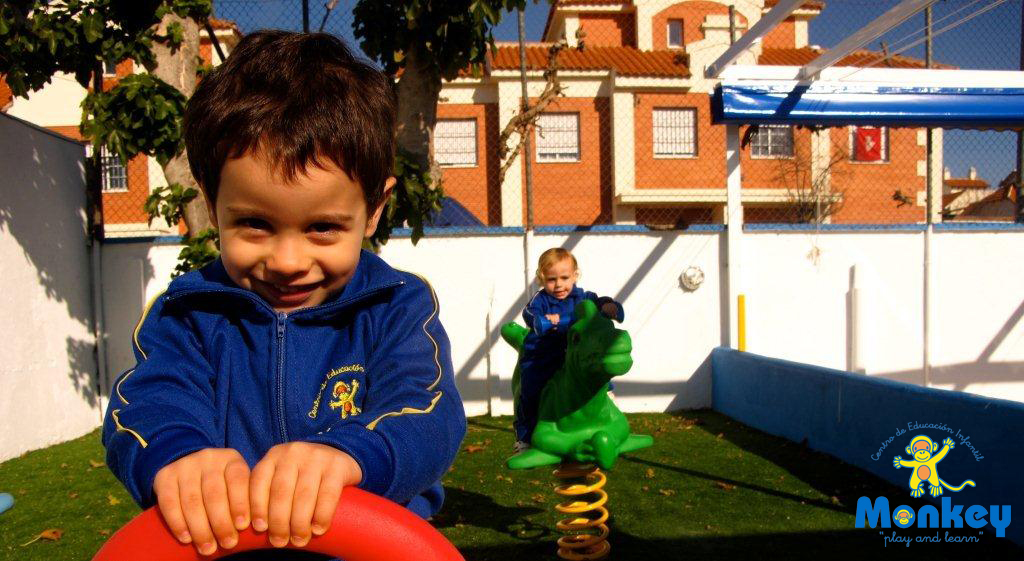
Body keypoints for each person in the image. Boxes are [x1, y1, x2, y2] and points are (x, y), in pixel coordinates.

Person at [101, 31, 466, 559]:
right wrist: (179, 456)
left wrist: (349, 455)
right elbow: (146, 404)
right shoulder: (189, 314)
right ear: (211, 200)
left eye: (322, 227)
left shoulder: (395, 306)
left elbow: (429, 410)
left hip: (368, 548)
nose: (288, 262)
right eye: (253, 224)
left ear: (375, 208)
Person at [513, 248, 624, 452]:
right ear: (541, 279)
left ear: (575, 275)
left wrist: (609, 306)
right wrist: (542, 320)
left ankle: (606, 395)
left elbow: (599, 302)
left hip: (572, 354)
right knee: (530, 390)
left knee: (595, 368)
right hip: (543, 355)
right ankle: (524, 436)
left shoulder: (582, 297)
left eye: (564, 277)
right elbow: (529, 314)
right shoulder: (540, 301)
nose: (559, 285)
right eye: (551, 279)